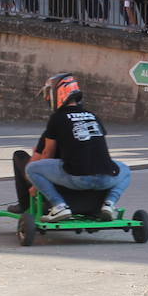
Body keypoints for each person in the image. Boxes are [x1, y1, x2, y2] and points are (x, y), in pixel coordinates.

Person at [24, 73, 131, 222]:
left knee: (32, 168)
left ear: (58, 93)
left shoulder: (58, 118)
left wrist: (36, 185)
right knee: (126, 170)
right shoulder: (92, 115)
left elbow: (48, 152)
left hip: (78, 178)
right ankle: (109, 203)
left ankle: (59, 206)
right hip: (106, 177)